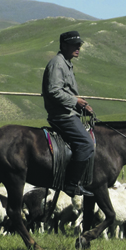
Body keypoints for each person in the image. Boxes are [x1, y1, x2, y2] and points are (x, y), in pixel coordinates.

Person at [41, 30, 95, 197]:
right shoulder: (57, 64)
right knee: (86, 144)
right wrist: (75, 102)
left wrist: (81, 106)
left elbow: (66, 92)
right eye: (75, 44)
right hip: (62, 116)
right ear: (64, 45)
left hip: (70, 112)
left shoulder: (67, 64)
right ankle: (71, 184)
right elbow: (53, 91)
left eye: (79, 44)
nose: (78, 47)